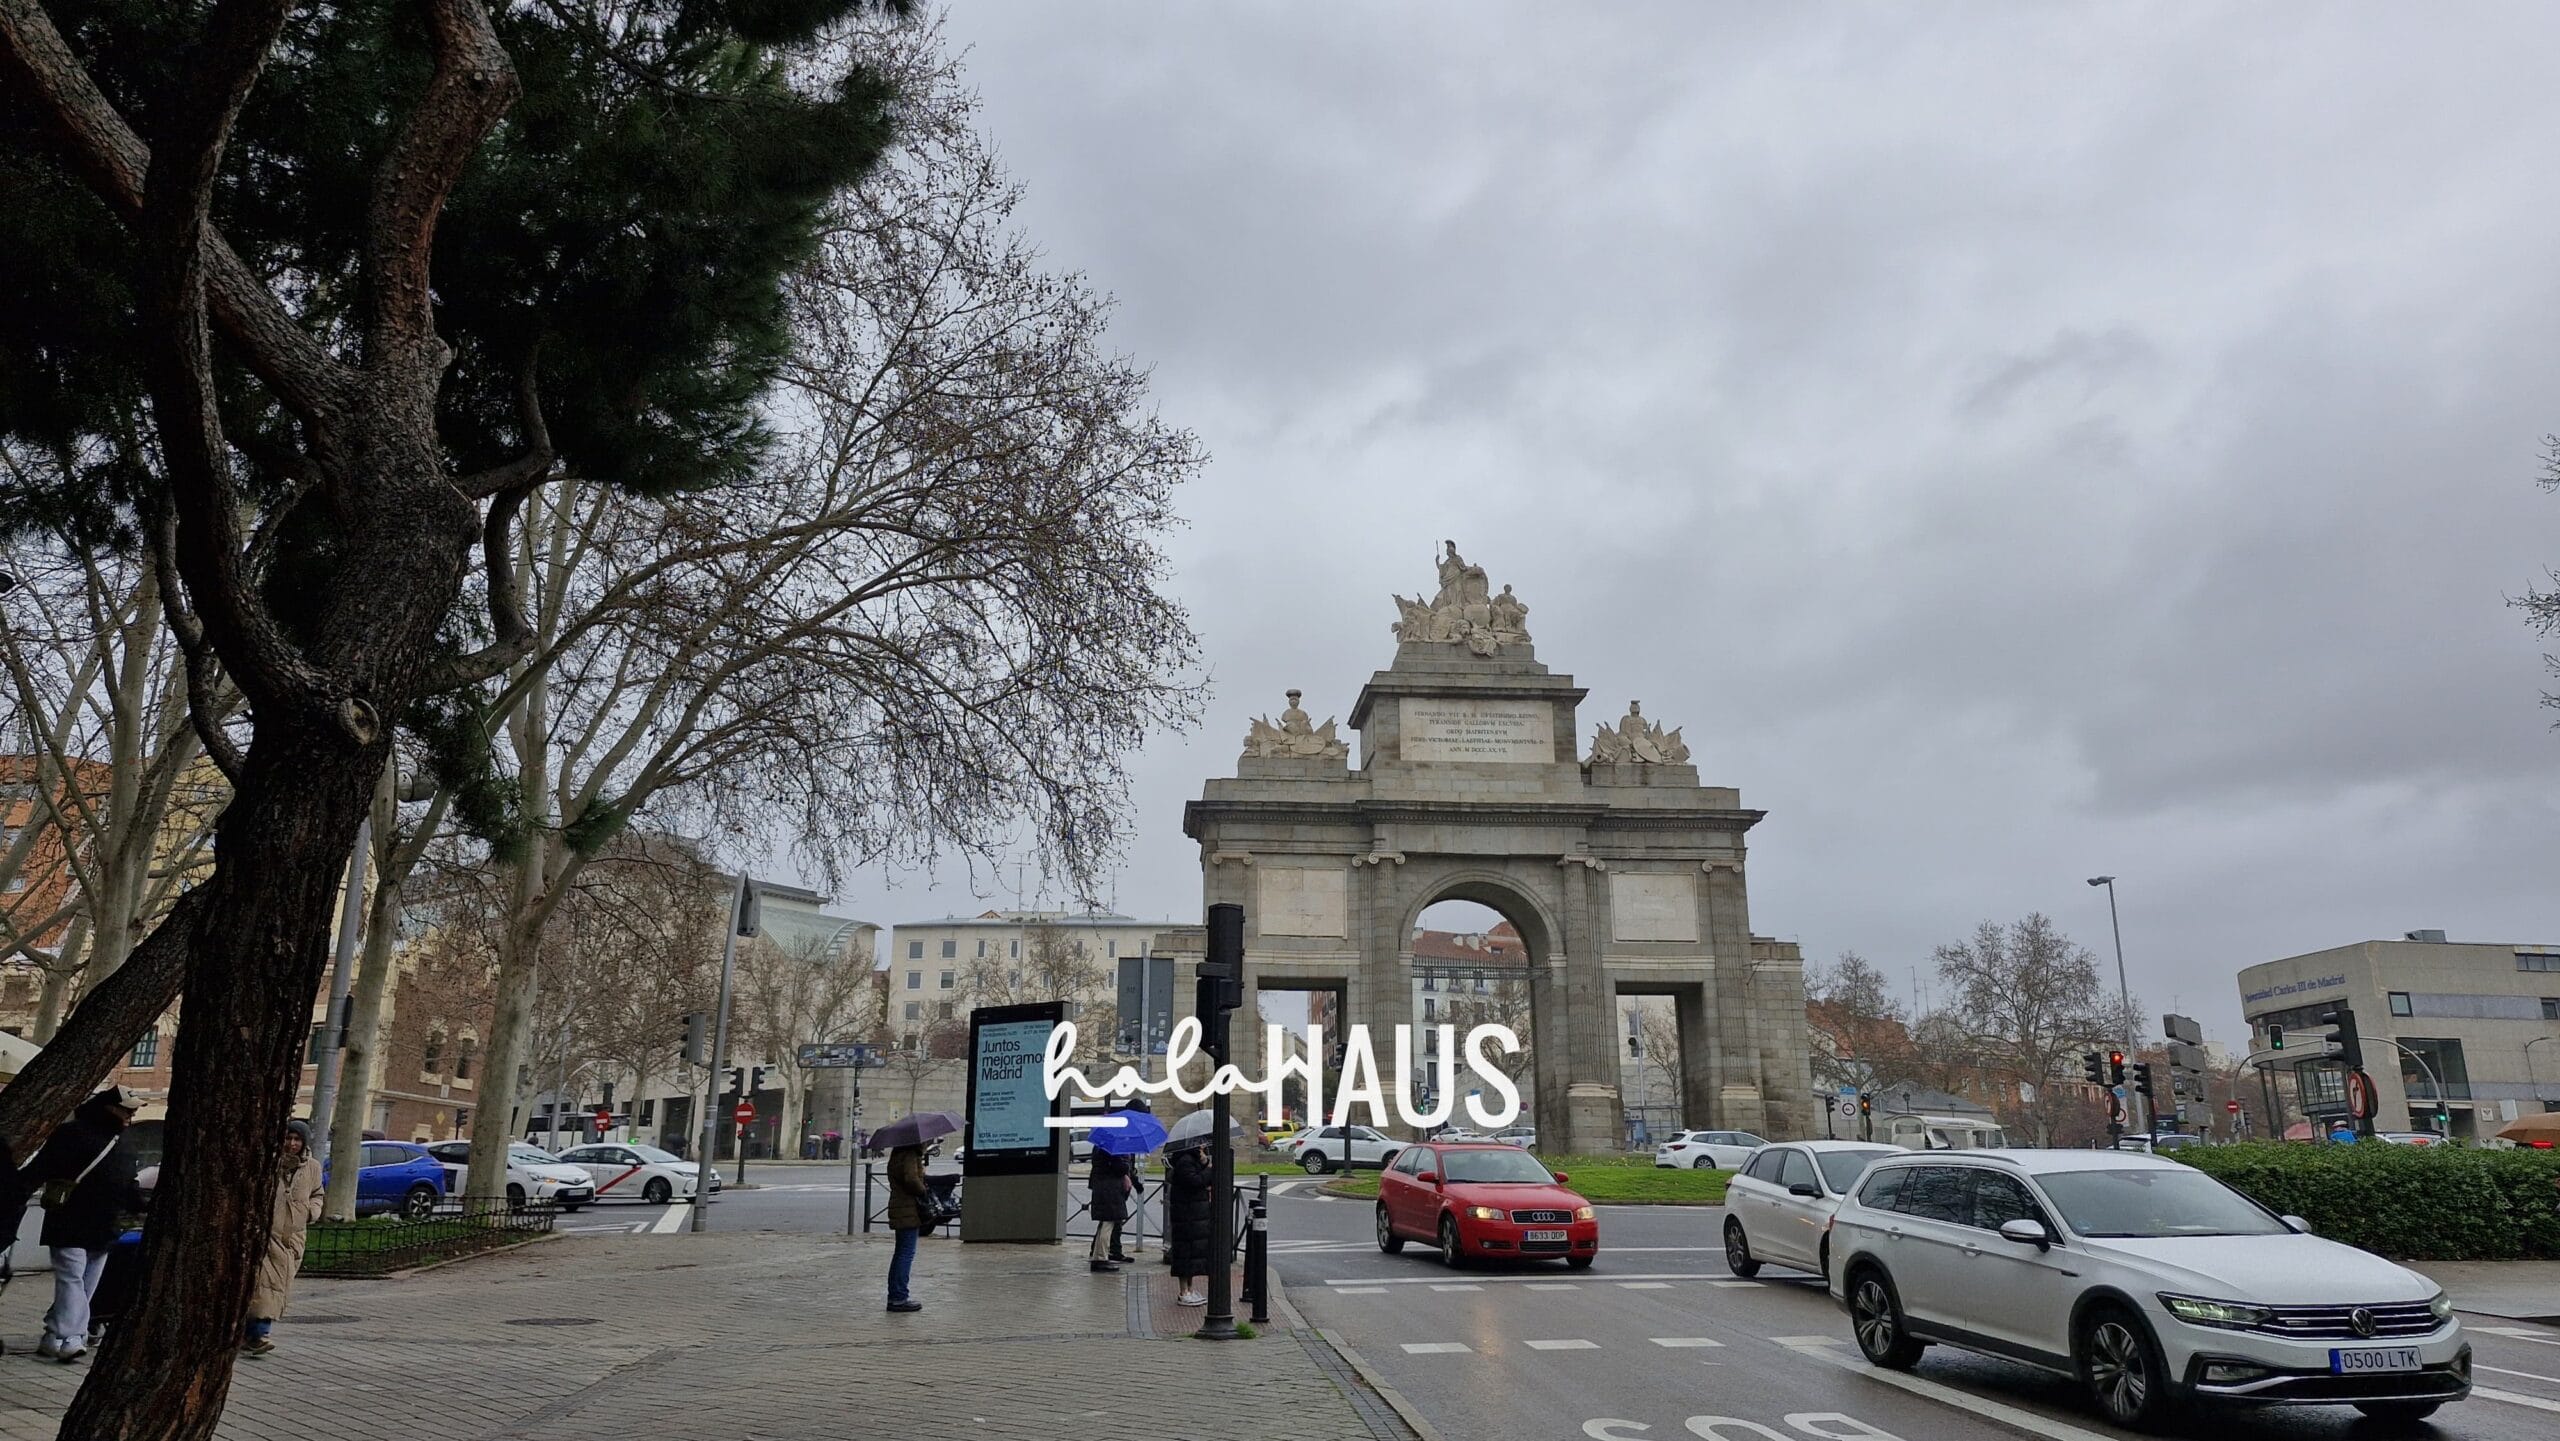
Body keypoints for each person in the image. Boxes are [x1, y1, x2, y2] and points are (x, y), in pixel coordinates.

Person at [26, 1087, 143, 1362]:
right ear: (110, 1108)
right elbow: (130, 1184)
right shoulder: (120, 1141)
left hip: (77, 1221)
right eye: (127, 1109)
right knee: (80, 1282)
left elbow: (40, 1169)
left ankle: (63, 1334)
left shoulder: (74, 1135)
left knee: (76, 1282)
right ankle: (64, 1335)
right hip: (95, 1223)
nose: (131, 1114)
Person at [243, 1119, 326, 1357]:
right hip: (267, 1235)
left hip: (294, 1238)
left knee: (277, 1286)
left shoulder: (312, 1167)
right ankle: (259, 1334)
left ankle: (250, 1333)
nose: (292, 1144)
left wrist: (312, 1211)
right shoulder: (269, 1163)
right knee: (266, 1285)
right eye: (288, 1138)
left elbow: (317, 1193)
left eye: (297, 1140)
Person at [1165, 1142, 1213, 1307]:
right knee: (1185, 1253)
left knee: (1192, 1254)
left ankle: (1190, 1290)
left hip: (1193, 1214)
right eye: (1200, 1143)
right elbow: (1196, 1181)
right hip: (1187, 1215)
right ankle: (1184, 1291)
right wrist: (1209, 1168)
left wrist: (1205, 1163)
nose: (1203, 1145)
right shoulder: (1185, 1161)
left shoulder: (1191, 1160)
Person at [883, 1142, 929, 1313]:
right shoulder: (909, 1154)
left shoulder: (898, 1153)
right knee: (905, 1254)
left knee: (900, 1253)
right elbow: (911, 1179)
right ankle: (899, 1297)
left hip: (900, 1206)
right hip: (908, 1208)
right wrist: (922, 1188)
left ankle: (896, 1295)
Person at [1088, 1146, 1138, 1272]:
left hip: (1103, 1187)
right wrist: (1126, 1164)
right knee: (1108, 1223)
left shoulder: (1101, 1146)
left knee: (1104, 1223)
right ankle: (1101, 1258)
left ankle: (1098, 1256)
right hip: (1109, 1189)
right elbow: (1120, 1167)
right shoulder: (1112, 1148)